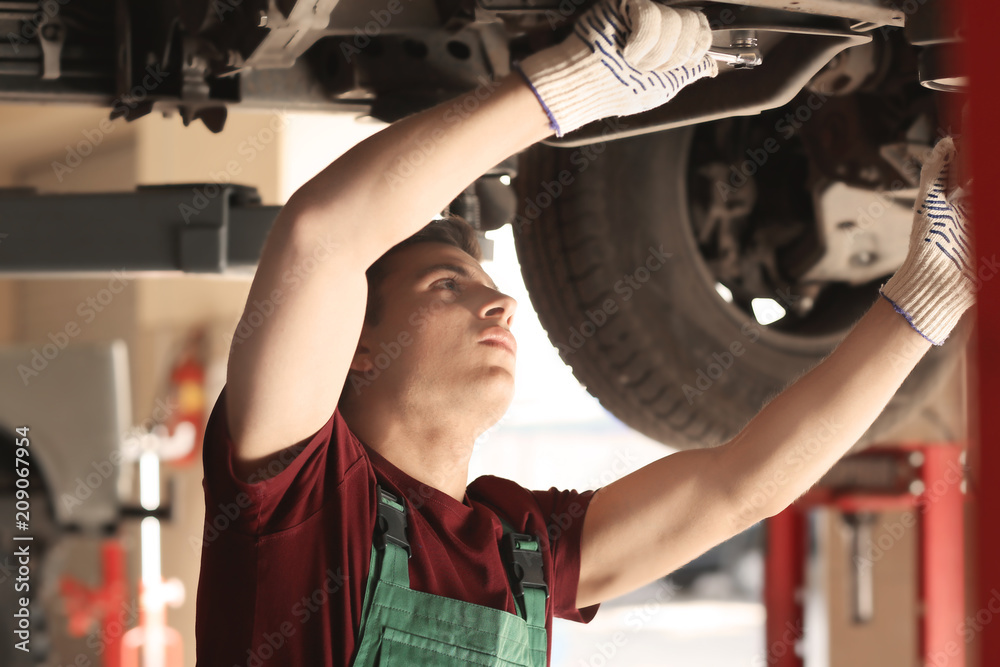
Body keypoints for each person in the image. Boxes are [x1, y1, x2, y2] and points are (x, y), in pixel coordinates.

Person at [194, 0, 976, 664]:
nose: (499, 307)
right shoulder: (302, 497)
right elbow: (321, 238)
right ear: (355, 348)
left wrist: (927, 299)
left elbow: (736, 484)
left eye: (490, 289)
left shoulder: (513, 544)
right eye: (447, 285)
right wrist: (564, 86)